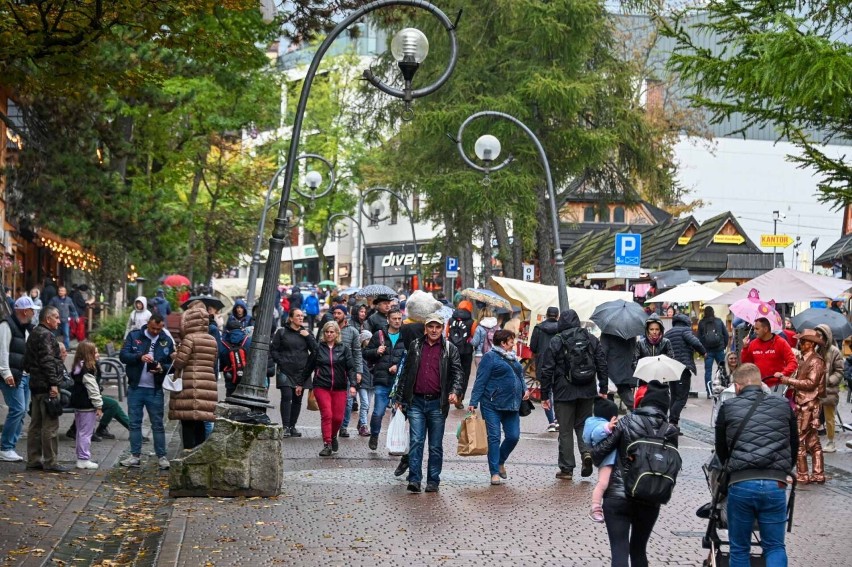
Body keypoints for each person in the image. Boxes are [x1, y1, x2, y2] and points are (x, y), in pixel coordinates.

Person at [715, 363, 797, 566]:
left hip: (741, 482)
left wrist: (731, 467)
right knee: (775, 546)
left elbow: (721, 448)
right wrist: (783, 470)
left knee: (740, 548)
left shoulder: (728, 407)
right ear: (760, 383)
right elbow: (794, 444)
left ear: (737, 386)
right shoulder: (782, 405)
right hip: (775, 482)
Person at [591, 385, 678, 567]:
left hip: (618, 496)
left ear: (644, 401)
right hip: (650, 496)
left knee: (619, 550)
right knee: (639, 550)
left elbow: (598, 454)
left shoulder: (627, 421)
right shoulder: (670, 430)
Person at [393, 313, 464, 493]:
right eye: (431, 326)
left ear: (442, 329)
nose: (434, 330)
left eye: (437, 327)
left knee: (435, 445)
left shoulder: (449, 348)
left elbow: (457, 373)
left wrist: (454, 391)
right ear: (425, 328)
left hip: (437, 404)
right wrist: (399, 399)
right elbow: (405, 374)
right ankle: (415, 479)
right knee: (416, 441)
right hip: (415, 401)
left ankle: (433, 480)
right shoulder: (415, 345)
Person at [540, 309, 608, 480]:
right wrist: (604, 388)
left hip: (564, 391)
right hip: (587, 389)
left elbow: (547, 369)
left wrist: (544, 394)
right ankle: (586, 453)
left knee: (565, 430)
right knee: (583, 425)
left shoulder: (557, 340)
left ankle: (567, 468)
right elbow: (601, 363)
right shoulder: (590, 338)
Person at [468, 329, 529, 486]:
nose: (513, 343)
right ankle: (494, 472)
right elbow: (480, 380)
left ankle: (500, 460)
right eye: (511, 341)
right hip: (492, 404)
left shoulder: (513, 357)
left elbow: (520, 375)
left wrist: (525, 389)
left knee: (513, 436)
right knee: (494, 438)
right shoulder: (490, 358)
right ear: (503, 343)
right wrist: (473, 401)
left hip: (512, 404)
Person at [118, 313, 175, 470]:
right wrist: (139, 357)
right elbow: (123, 355)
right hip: (136, 387)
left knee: (157, 424)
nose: (156, 331)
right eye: (153, 328)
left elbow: (172, 363)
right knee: (134, 423)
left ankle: (162, 456)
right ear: (148, 324)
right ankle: (135, 455)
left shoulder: (166, 340)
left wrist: (161, 368)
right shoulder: (134, 336)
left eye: (159, 328)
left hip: (155, 388)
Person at [300, 321, 357, 457]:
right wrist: (300, 383)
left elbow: (351, 368)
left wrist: (353, 385)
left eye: (332, 332)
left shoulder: (344, 349)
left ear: (337, 333)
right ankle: (327, 444)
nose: (329, 334)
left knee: (338, 418)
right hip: (321, 386)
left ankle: (332, 436)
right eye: (327, 332)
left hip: (340, 387)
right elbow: (309, 367)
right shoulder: (318, 349)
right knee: (327, 415)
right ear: (323, 333)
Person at [23, 306, 68, 472]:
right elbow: (48, 361)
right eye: (56, 317)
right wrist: (54, 384)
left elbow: (26, 361)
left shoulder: (34, 333)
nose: (59, 320)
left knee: (35, 424)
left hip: (35, 385)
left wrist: (33, 374)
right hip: (47, 386)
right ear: (47, 319)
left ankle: (34, 459)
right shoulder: (47, 335)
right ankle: (51, 461)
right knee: (50, 425)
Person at [169, 302, 218, 450]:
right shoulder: (212, 340)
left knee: (187, 422)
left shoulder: (190, 339)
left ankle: (187, 455)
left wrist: (174, 356)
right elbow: (213, 361)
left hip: (190, 384)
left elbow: (180, 362)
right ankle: (199, 452)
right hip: (207, 383)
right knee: (200, 422)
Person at [780, 329, 826, 484]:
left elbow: (811, 384)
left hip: (808, 404)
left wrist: (788, 381)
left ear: (811, 344)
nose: (800, 344)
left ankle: (803, 474)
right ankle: (818, 473)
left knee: (800, 440)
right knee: (813, 441)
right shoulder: (804, 359)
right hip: (803, 402)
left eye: (803, 341)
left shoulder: (816, 361)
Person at [271, 308, 317, 437]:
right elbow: (274, 350)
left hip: (302, 372)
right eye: (298, 316)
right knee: (286, 396)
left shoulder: (306, 332)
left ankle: (292, 426)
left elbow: (316, 350)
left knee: (297, 399)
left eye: (302, 316)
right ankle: (285, 426)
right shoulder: (282, 332)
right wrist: (281, 361)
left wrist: (308, 337)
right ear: (291, 318)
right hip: (285, 370)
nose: (301, 318)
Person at [364, 310, 406, 451]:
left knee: (398, 413)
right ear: (388, 319)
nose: (397, 321)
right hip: (382, 380)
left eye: (399, 318)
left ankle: (395, 441)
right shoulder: (379, 335)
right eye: (394, 318)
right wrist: (376, 351)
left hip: (399, 382)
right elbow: (366, 354)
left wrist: (398, 366)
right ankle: (374, 435)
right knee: (378, 412)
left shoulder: (405, 336)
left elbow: (410, 357)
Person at [0, 297, 35, 462]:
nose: (33, 313)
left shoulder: (26, 327)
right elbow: (3, 351)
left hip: (24, 374)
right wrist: (6, 373)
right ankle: (6, 447)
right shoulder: (6, 325)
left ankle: (10, 445)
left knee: (20, 412)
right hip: (13, 375)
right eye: (31, 310)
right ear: (24, 311)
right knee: (18, 409)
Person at [664, 313, 707, 428]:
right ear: (686, 322)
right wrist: (704, 352)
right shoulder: (685, 331)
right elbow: (695, 342)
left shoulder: (668, 333)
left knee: (674, 396)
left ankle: (673, 424)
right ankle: (672, 422)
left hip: (671, 368)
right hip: (682, 368)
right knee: (681, 397)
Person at [582, 397, 619, 523]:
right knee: (603, 483)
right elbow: (596, 435)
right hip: (607, 460)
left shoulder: (591, 422)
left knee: (609, 484)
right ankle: (595, 507)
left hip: (610, 459)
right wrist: (607, 427)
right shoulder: (599, 425)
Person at [68, 341, 103, 470]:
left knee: (80, 432)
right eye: (96, 352)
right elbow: (93, 389)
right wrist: (99, 406)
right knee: (86, 433)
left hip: (78, 404)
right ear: (89, 354)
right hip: (87, 405)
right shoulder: (88, 370)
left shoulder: (78, 366)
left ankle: (81, 456)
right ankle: (83, 458)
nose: (98, 355)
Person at [333, 305, 366, 438]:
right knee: (334, 400)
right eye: (334, 313)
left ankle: (344, 426)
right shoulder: (329, 329)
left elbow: (357, 353)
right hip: (332, 370)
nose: (336, 315)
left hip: (348, 370)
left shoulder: (352, 331)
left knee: (348, 401)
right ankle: (334, 425)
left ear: (345, 315)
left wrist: (359, 371)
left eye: (339, 313)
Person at [741, 317, 797, 392]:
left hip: (777, 385)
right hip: (758, 385)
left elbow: (793, 362)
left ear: (766, 329)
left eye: (757, 329)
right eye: (754, 328)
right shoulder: (753, 344)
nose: (754, 331)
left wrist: (783, 373)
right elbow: (747, 365)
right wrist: (744, 348)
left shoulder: (781, 342)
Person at [530, 306, 560, 430]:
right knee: (558, 392)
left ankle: (551, 421)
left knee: (546, 392)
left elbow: (533, 347)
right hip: (559, 364)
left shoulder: (538, 328)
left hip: (543, 363)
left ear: (546, 315)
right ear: (557, 316)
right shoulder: (562, 329)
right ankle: (558, 419)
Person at [814, 324, 842, 453]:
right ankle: (813, 440)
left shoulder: (834, 351)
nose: (818, 337)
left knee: (829, 417)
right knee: (813, 416)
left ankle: (831, 442)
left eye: (820, 335)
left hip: (829, 390)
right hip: (815, 389)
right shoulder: (816, 350)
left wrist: (829, 381)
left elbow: (839, 371)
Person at [447, 299, 476, 408]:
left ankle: (449, 394)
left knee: (450, 372)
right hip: (466, 351)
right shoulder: (472, 322)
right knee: (464, 374)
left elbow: (447, 334)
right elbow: (473, 336)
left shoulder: (450, 320)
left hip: (451, 349)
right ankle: (459, 398)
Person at [600, 332, 637, 414]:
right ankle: (641, 416)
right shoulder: (631, 332)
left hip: (611, 371)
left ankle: (610, 421)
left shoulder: (607, 332)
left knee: (608, 400)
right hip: (627, 370)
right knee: (630, 401)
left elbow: (602, 352)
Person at [698, 306, 729, 398]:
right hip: (719, 349)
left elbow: (699, 338)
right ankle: (724, 389)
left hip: (707, 351)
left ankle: (709, 392)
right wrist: (724, 346)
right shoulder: (719, 321)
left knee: (708, 371)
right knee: (723, 369)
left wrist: (702, 351)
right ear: (713, 312)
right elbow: (726, 335)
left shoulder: (701, 323)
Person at [219, 319, 251, 398]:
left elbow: (221, 363)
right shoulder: (248, 341)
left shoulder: (223, 343)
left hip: (230, 377)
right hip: (246, 376)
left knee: (230, 399)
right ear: (241, 329)